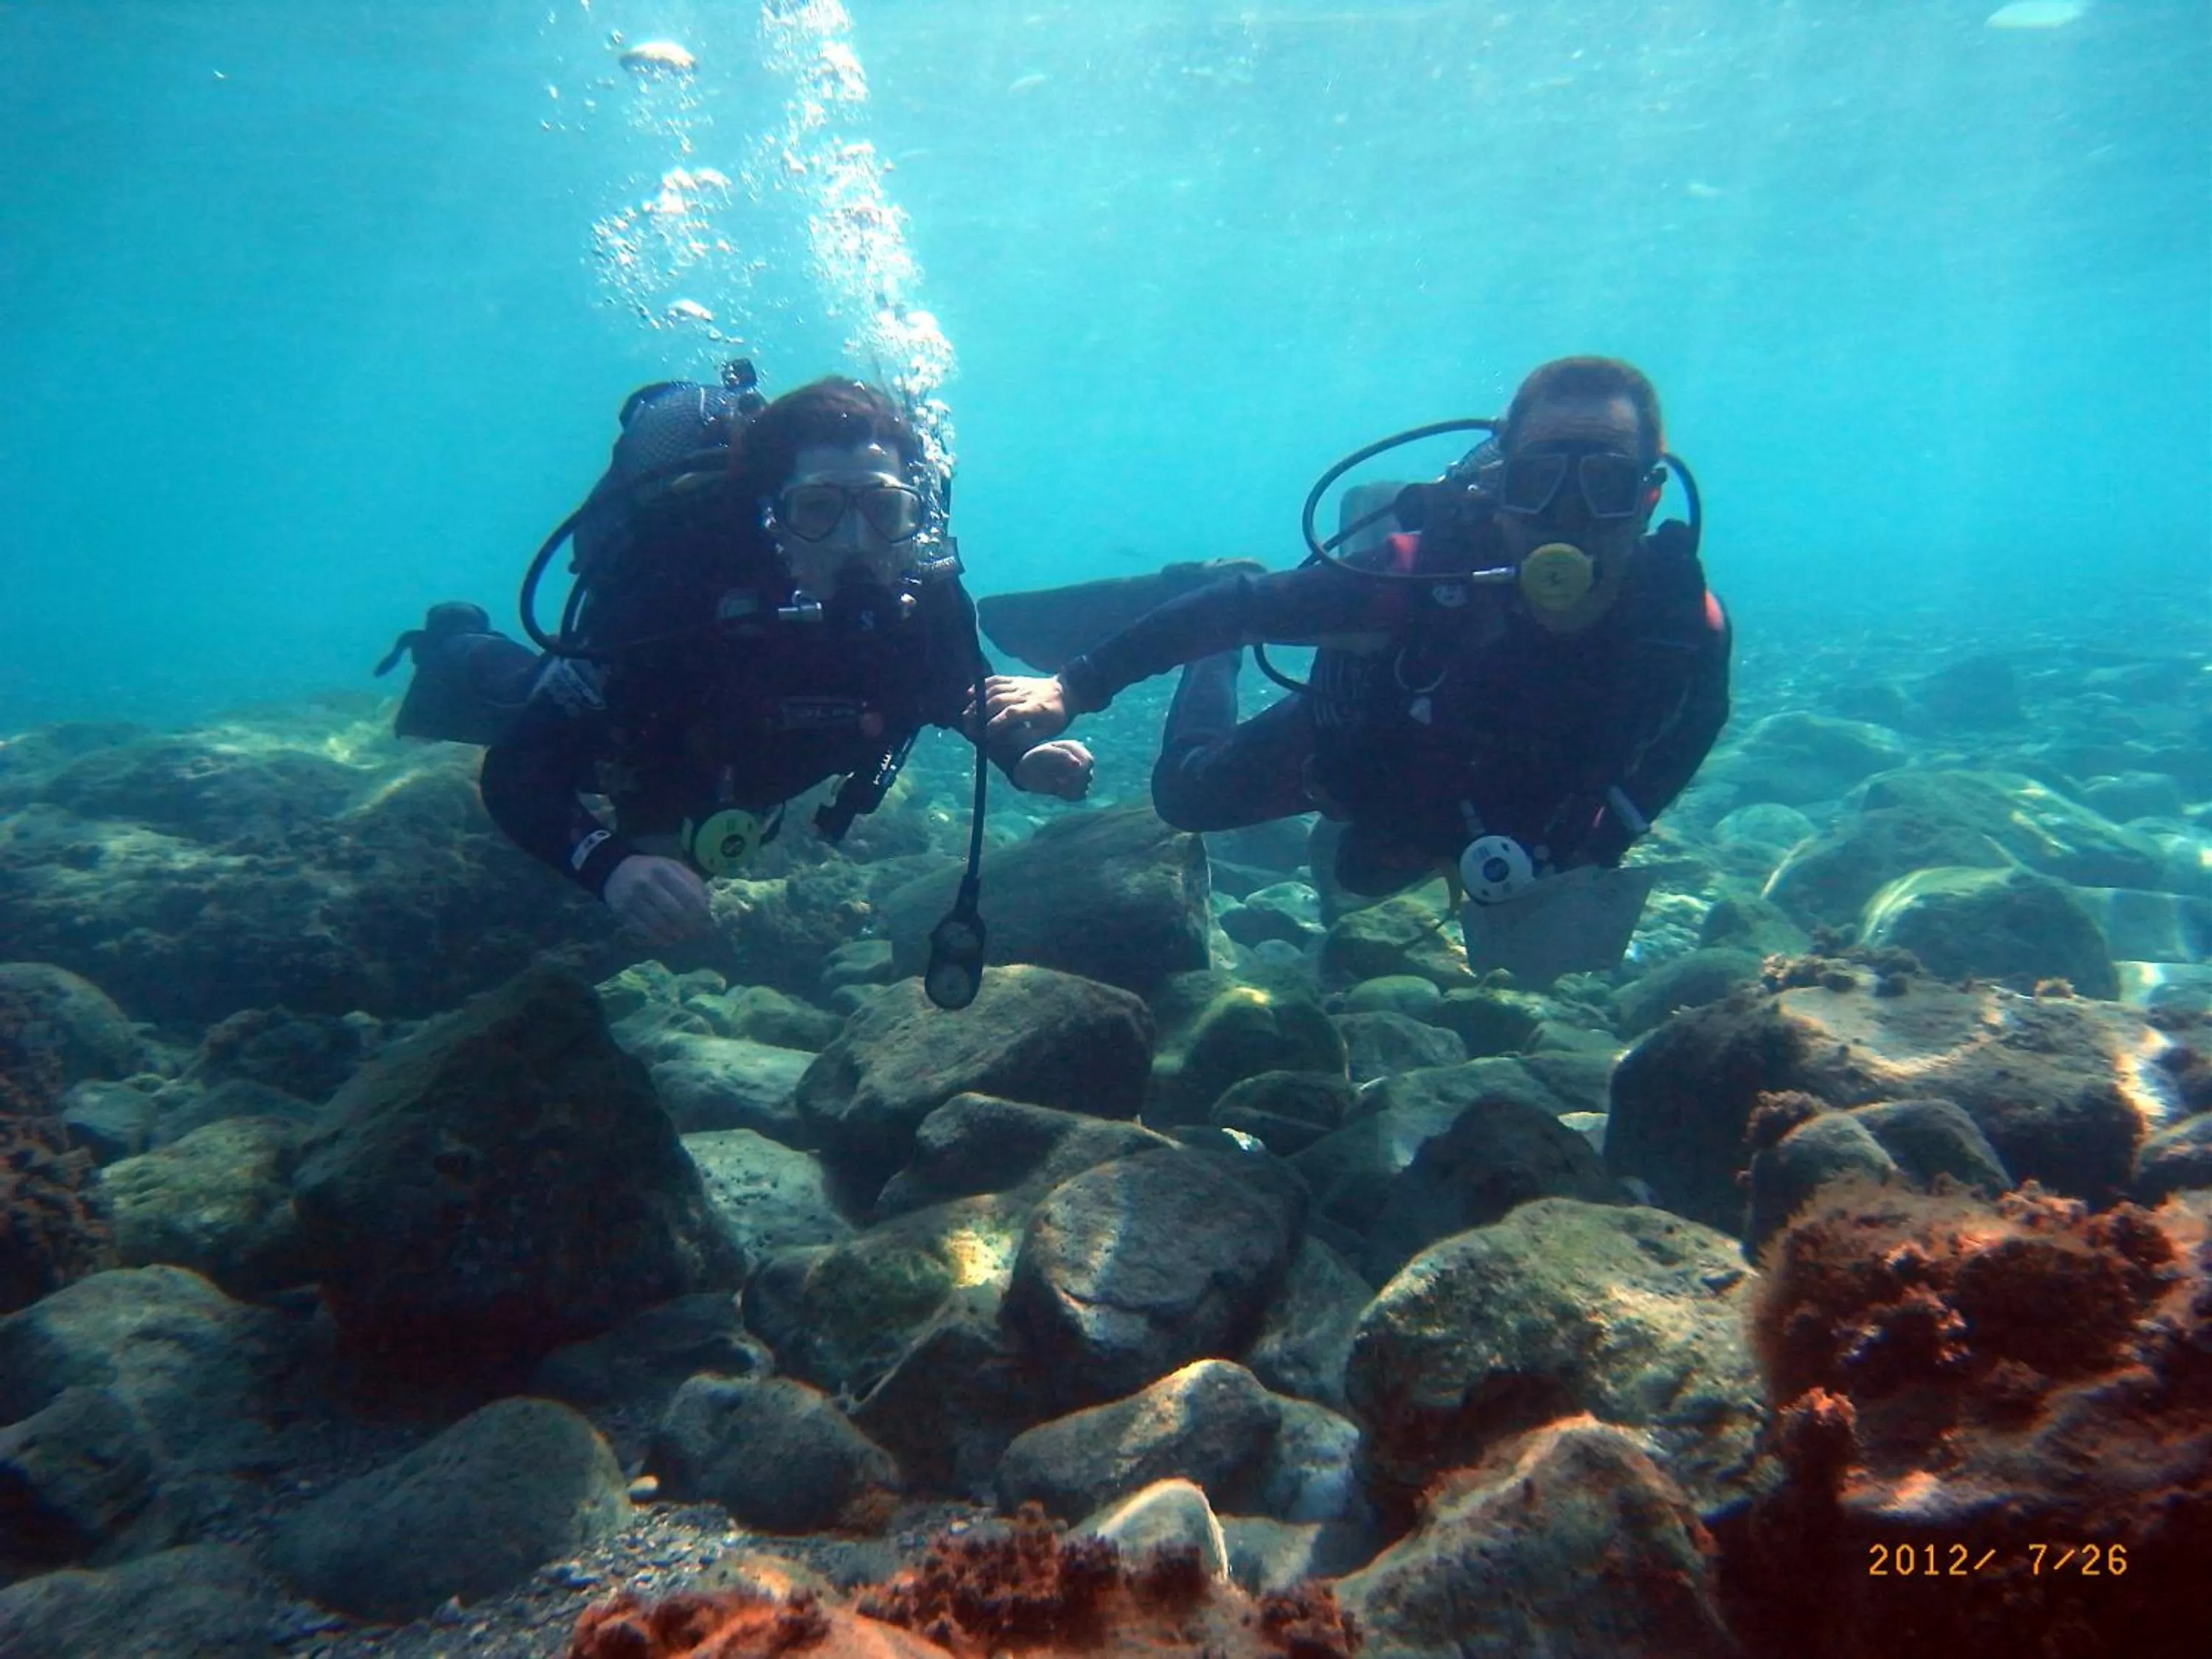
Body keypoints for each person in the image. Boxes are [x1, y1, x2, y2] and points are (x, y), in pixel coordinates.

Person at [979, 356, 1730, 975]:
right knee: (1184, 799)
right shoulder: (1413, 579)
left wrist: (1601, 843)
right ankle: (1209, 638)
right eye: (1539, 484)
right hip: (1359, 735)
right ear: (1501, 493)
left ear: (1649, 497)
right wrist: (1073, 688)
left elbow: (1697, 722)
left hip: (1478, 786)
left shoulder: (1682, 626)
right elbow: (1237, 606)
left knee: (1369, 875)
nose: (1566, 520)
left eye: (1604, 487)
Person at [389, 373, 1092, 950]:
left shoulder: (927, 596)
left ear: (917, 511)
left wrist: (1021, 757)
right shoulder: (678, 592)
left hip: (747, 767)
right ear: (769, 515)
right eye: (817, 508)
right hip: (651, 741)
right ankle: (454, 640)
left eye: (885, 508)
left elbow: (956, 692)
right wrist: (609, 865)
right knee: (516, 699)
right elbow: (519, 771)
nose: (856, 541)